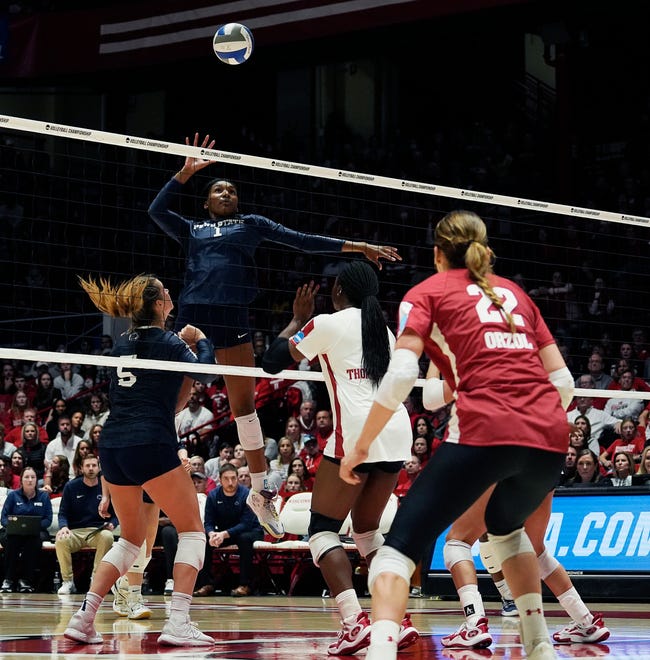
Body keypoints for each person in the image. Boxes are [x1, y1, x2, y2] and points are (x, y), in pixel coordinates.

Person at [339, 210, 574, 660]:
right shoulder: (516, 294)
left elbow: (401, 373)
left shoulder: (425, 293)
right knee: (506, 532)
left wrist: (362, 445)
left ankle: (381, 652)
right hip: (550, 435)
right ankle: (540, 646)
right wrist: (531, 423)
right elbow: (562, 383)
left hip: (486, 429)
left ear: (436, 253)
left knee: (395, 553)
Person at [147, 132, 401, 538]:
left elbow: (302, 240)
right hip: (194, 314)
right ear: (206, 201)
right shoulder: (192, 229)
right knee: (172, 397)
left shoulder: (251, 224)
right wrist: (184, 173)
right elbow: (156, 210)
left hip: (233, 317)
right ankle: (157, 455)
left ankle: (261, 491)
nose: (225, 192)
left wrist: (358, 247)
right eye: (218, 189)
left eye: (230, 188)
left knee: (244, 407)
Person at [262, 261, 416, 656]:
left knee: (322, 530)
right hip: (396, 430)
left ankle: (353, 624)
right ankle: (397, 619)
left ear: (338, 290)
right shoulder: (380, 328)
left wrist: (298, 319)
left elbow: (273, 360)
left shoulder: (327, 323)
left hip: (359, 433)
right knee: (366, 531)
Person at [62, 273, 217, 647]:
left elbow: (173, 397)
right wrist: (201, 341)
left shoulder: (120, 343)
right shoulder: (169, 342)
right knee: (193, 530)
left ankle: (84, 617)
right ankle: (178, 621)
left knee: (130, 538)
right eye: (166, 292)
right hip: (150, 442)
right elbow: (208, 375)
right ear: (157, 304)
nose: (171, 295)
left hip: (113, 446)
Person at [438, 486, 610, 649]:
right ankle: (586, 621)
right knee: (537, 552)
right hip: (547, 465)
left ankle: (474, 624)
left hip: (507, 463)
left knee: (457, 542)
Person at [194, 462, 264, 598]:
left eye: (233, 478)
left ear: (237, 478)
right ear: (220, 480)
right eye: (226, 479)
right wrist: (211, 533)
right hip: (225, 533)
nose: (230, 482)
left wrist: (223, 534)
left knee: (243, 539)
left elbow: (246, 524)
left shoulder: (247, 494)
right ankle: (206, 584)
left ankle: (245, 584)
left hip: (251, 531)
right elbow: (208, 521)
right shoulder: (213, 496)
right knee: (205, 539)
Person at [55, 453, 118, 595]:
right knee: (61, 540)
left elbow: (116, 515)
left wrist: (112, 524)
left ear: (99, 468)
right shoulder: (71, 486)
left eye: (94, 465)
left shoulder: (106, 487)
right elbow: (63, 513)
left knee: (107, 536)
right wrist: (64, 527)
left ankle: (96, 579)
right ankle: (67, 581)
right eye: (87, 466)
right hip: (75, 532)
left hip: (97, 531)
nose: (91, 469)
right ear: (81, 468)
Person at [0, 466, 53, 593]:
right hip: (14, 532)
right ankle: (8, 579)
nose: (30, 480)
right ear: (21, 480)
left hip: (36, 532)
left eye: (33, 477)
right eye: (27, 477)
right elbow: (4, 518)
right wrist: (13, 526)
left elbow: (48, 519)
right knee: (11, 539)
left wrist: (34, 526)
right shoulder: (13, 496)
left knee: (33, 541)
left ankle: (25, 580)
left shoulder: (44, 497)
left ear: (36, 480)